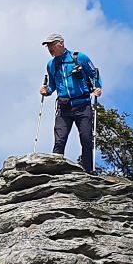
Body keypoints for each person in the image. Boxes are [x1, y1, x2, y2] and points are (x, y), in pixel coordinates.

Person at [39, 33, 102, 173]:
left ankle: (88, 171)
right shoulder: (51, 65)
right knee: (59, 140)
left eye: (51, 45)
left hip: (83, 105)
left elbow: (95, 74)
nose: (49, 48)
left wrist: (98, 88)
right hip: (64, 107)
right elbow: (52, 85)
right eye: (48, 46)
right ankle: (54, 171)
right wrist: (46, 91)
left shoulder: (79, 58)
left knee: (86, 139)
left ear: (60, 43)